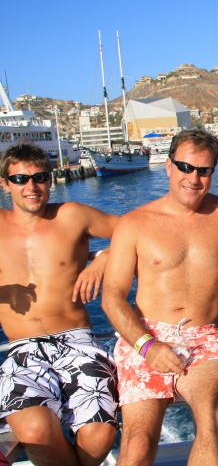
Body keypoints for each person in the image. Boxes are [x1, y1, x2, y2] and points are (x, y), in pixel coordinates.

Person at [101, 129, 218, 466]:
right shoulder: (134, 224)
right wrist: (147, 346)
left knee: (215, 418)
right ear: (168, 166)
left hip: (203, 338)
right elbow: (112, 297)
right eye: (185, 167)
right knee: (138, 442)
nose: (193, 179)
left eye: (204, 170)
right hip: (146, 335)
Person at [0, 143, 119, 466]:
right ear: (5, 183)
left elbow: (136, 230)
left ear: (50, 179)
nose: (31, 186)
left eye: (40, 177)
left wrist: (105, 258)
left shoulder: (72, 215)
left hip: (78, 341)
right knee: (35, 431)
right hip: (23, 349)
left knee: (99, 436)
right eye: (20, 179)